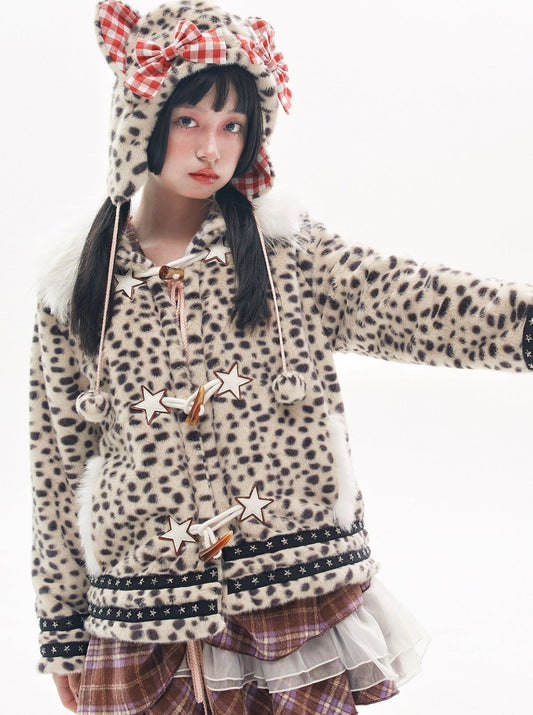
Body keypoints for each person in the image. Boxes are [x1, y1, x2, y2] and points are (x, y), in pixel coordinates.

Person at [29, 2, 533, 714]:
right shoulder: (74, 288)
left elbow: (411, 299)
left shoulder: (289, 253)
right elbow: (55, 472)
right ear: (141, 123)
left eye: (233, 125)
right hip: (142, 615)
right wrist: (61, 629)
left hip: (290, 599)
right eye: (188, 120)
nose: (211, 148)